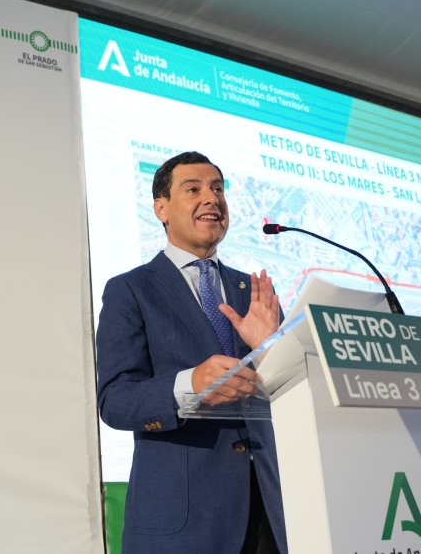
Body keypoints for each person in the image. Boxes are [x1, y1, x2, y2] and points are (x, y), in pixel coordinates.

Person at [96, 151, 287, 553]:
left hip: (270, 515)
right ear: (161, 208)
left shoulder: (252, 293)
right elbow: (115, 401)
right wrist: (190, 385)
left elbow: (283, 396)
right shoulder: (131, 289)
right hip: (185, 525)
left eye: (218, 189)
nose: (212, 199)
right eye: (193, 189)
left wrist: (269, 349)